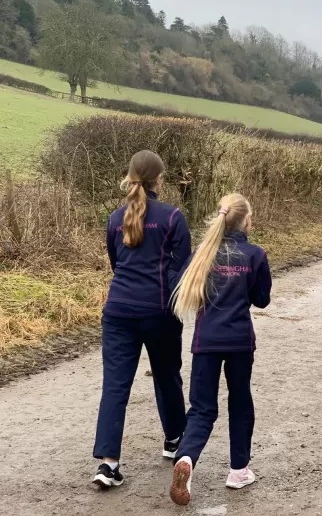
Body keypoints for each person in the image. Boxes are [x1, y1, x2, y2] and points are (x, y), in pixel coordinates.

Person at [93, 150, 191, 488]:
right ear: (159, 179)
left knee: (115, 385)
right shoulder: (173, 217)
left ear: (130, 176)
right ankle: (175, 440)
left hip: (118, 311)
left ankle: (108, 464)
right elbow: (182, 269)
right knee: (167, 376)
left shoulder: (114, 218)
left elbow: (116, 264)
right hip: (160, 311)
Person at [169, 193, 272, 506]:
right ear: (247, 221)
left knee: (202, 408)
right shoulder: (255, 255)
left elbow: (179, 283)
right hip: (240, 341)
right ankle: (238, 470)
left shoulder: (203, 253)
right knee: (240, 402)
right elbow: (262, 299)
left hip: (206, 341)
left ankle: (186, 457)